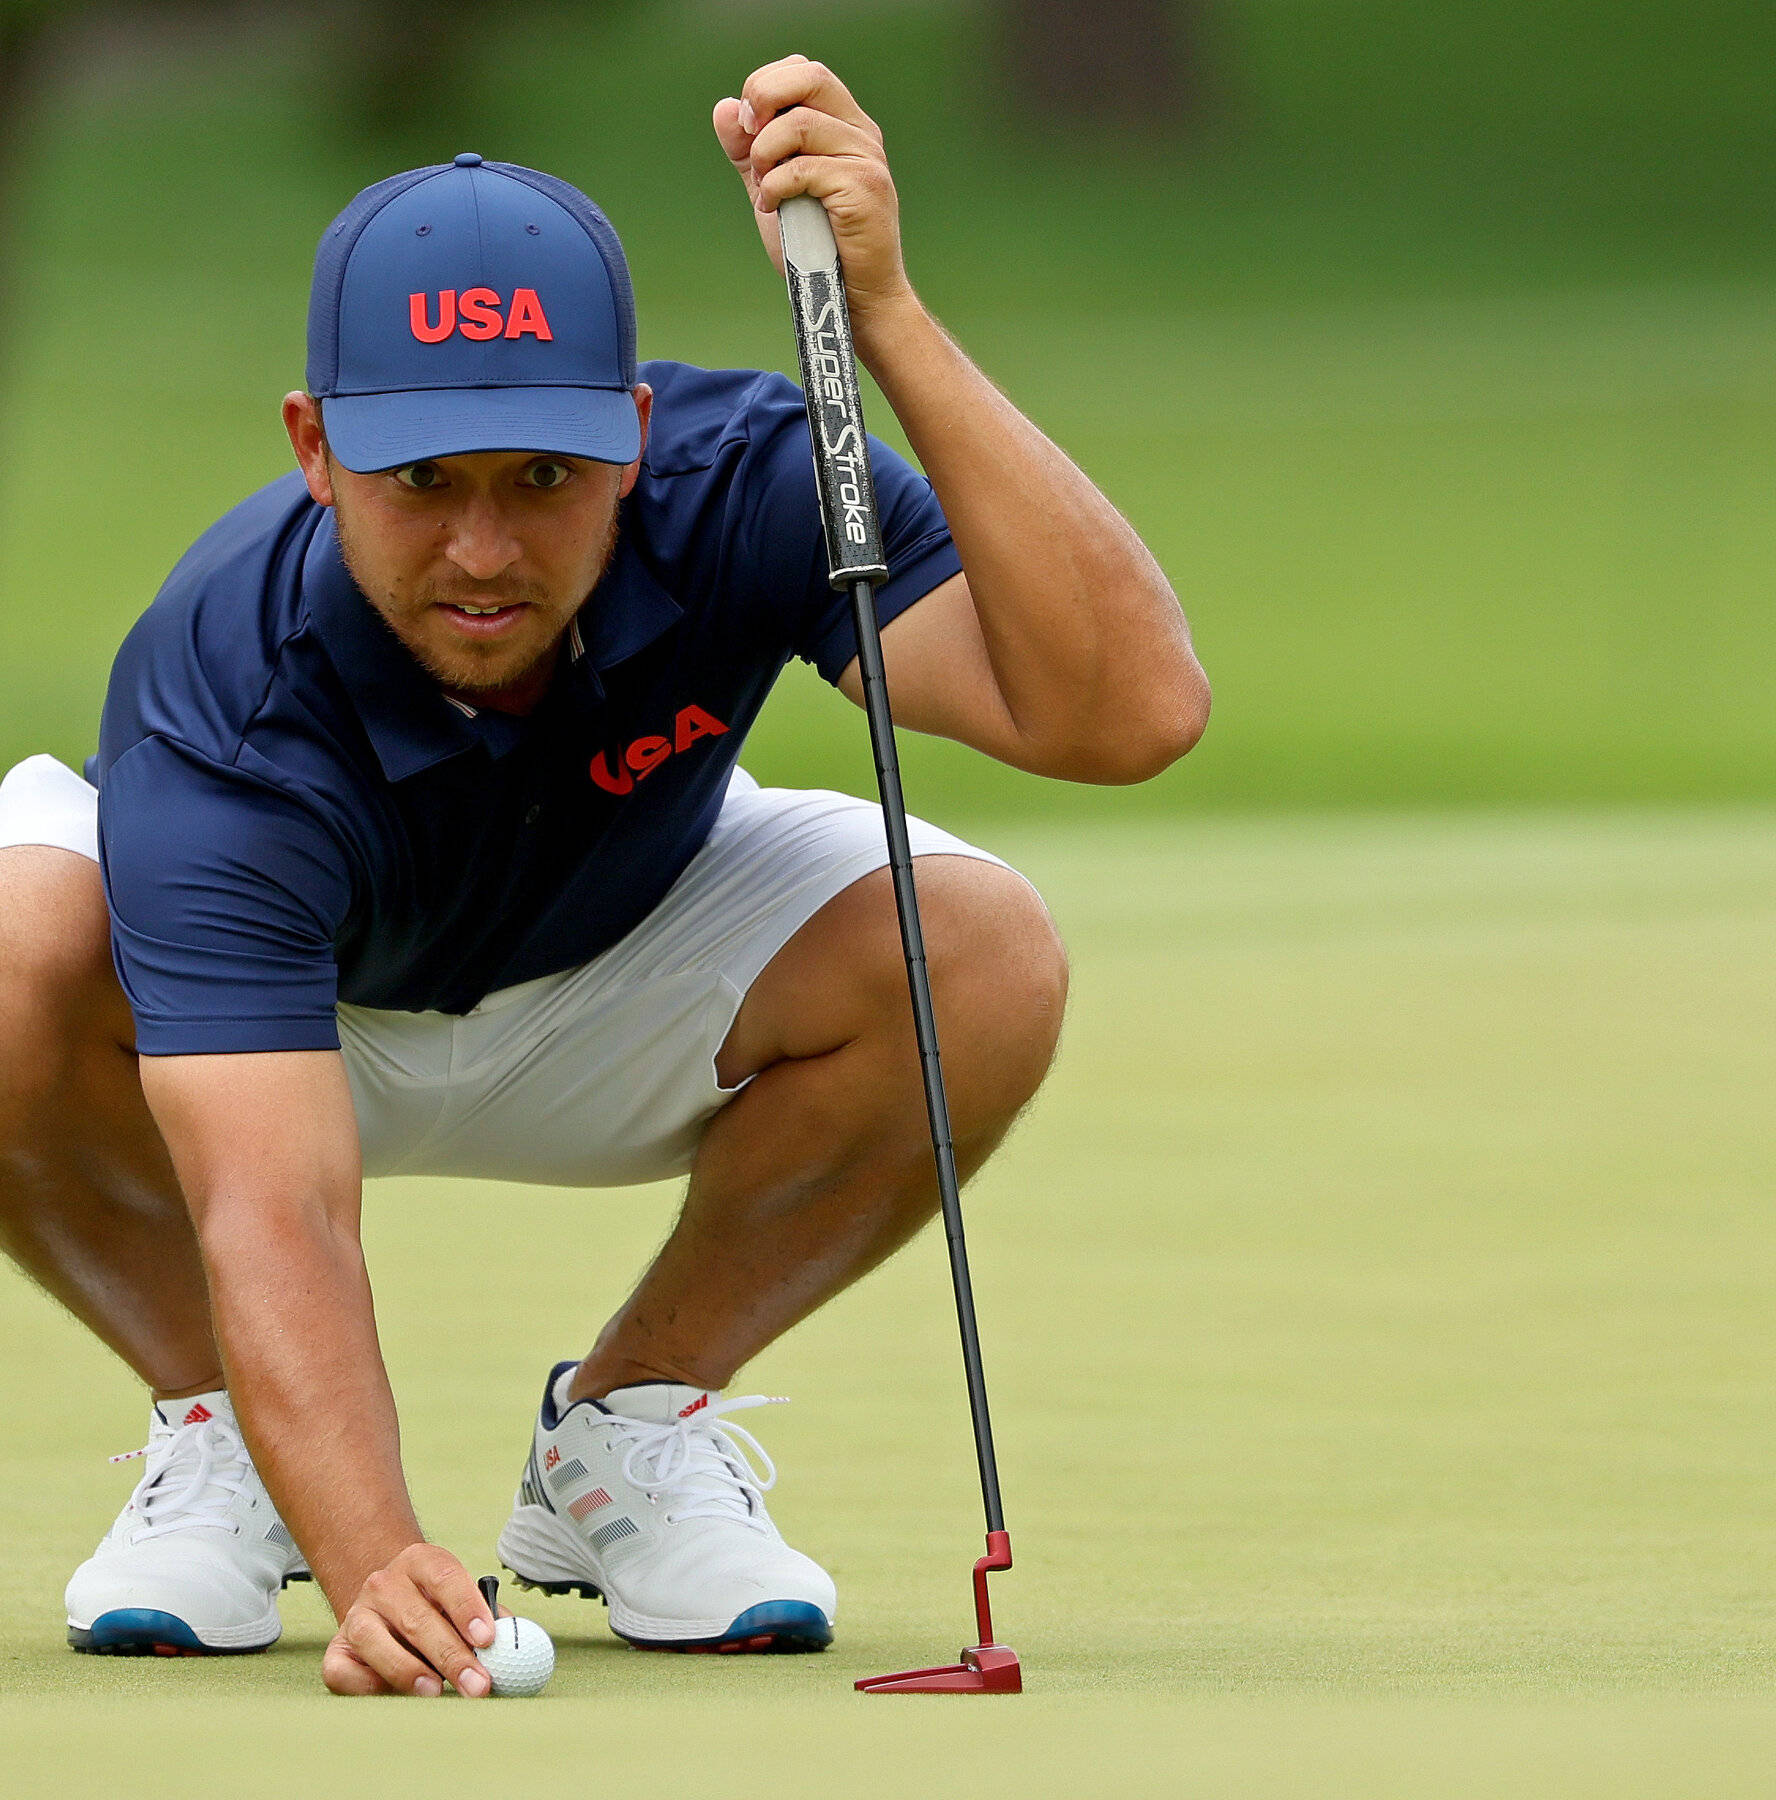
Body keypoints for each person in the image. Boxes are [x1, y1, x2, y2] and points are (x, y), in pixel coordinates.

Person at [0, 57, 1208, 1696]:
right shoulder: (230, 699)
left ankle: (623, 1438)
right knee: (11, 946)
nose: (485, 551)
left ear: (632, 440)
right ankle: (222, 1434)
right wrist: (379, 1566)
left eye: (542, 479)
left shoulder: (747, 488)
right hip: (279, 1037)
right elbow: (274, 1201)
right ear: (313, 445)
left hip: (618, 965)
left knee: (978, 950)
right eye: (423, 482)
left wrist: (890, 317)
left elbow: (1124, 715)